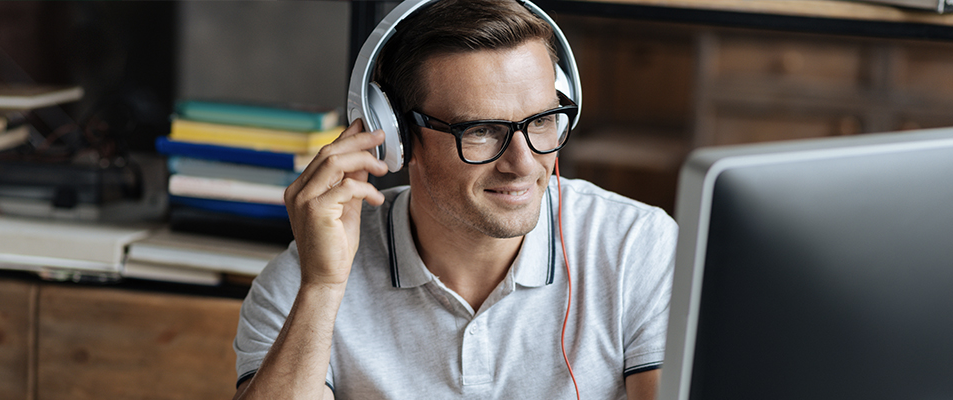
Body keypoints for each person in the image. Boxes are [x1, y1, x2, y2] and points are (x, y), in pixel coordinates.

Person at [232, 1, 677, 399]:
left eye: (542, 121)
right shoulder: (303, 282)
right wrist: (323, 288)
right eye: (481, 130)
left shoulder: (636, 247)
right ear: (397, 139)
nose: (523, 164)